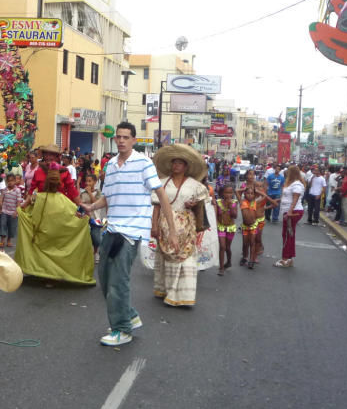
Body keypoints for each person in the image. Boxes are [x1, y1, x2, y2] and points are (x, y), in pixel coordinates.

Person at [81, 124, 178, 346]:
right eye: (119, 137)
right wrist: (91, 207)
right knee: (105, 279)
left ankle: (122, 329)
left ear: (134, 140)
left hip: (132, 232)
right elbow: (108, 197)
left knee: (118, 281)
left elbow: (161, 195)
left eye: (126, 137)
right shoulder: (111, 165)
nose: (122, 141)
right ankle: (130, 315)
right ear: (115, 139)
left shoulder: (144, 163)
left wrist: (171, 230)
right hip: (112, 228)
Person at [150, 144, 209, 308]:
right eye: (174, 162)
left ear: (186, 167)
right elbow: (156, 206)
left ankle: (183, 295)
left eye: (179, 163)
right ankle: (167, 291)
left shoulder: (194, 185)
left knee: (187, 259)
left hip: (187, 227)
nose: (176, 166)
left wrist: (194, 204)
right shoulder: (162, 183)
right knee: (167, 258)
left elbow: (202, 203)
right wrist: (154, 225)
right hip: (166, 225)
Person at [275, 165, 305, 268]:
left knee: (287, 235)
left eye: (288, 171)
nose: (286, 173)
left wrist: (290, 212)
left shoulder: (297, 184)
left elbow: (295, 199)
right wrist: (279, 200)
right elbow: (287, 197)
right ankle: (289, 258)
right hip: (289, 211)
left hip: (293, 212)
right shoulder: (291, 183)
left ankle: (285, 259)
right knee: (289, 235)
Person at [79, 172, 105, 264]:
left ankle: (96, 251)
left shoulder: (98, 192)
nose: (87, 183)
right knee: (85, 236)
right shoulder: (83, 193)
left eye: (90, 181)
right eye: (86, 181)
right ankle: (85, 254)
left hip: (96, 218)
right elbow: (80, 204)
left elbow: (96, 203)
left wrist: (90, 193)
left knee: (96, 237)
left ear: (95, 182)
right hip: (86, 218)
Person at [215, 183, 238, 276]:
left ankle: (228, 261)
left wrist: (230, 206)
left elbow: (235, 216)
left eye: (230, 193)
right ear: (222, 193)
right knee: (222, 247)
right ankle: (221, 268)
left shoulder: (234, 203)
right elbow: (215, 215)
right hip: (221, 227)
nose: (228, 195)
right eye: (226, 192)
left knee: (228, 248)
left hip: (230, 228)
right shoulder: (218, 202)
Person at [0, 173, 21, 249]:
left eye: (12, 181)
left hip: (13, 213)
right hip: (4, 211)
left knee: (11, 227)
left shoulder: (17, 190)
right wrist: (0, 206)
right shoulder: (4, 190)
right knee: (3, 225)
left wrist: (16, 212)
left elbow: (18, 202)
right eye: (9, 181)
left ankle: (9, 241)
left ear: (15, 181)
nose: (10, 182)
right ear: (6, 181)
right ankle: (2, 241)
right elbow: (1, 199)